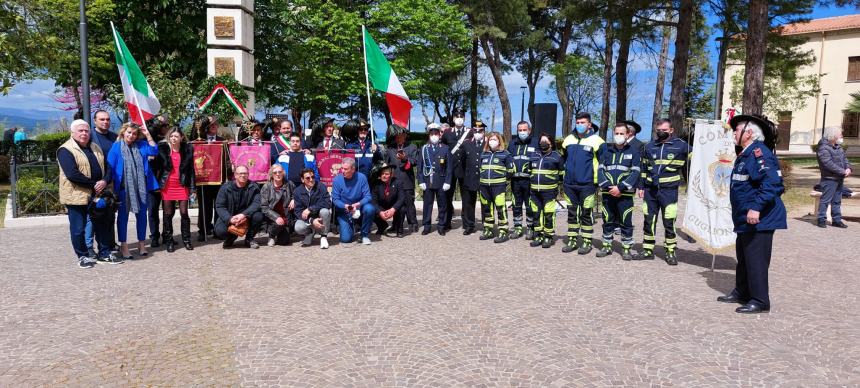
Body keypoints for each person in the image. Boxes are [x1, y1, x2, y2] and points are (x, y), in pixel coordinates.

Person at [718, 115, 787, 314]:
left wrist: (756, 207)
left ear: (748, 133)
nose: (733, 133)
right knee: (744, 257)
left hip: (760, 218)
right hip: (745, 219)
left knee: (756, 260)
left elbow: (772, 184)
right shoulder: (746, 154)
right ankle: (742, 292)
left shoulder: (759, 153)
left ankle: (760, 300)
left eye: (736, 130)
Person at [58, 119, 121, 268]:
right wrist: (94, 184)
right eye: (80, 130)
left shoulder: (95, 147)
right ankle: (83, 256)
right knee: (78, 229)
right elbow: (72, 174)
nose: (84, 133)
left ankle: (104, 254)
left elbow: (108, 167)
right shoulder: (65, 150)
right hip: (76, 195)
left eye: (86, 130)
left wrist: (105, 181)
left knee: (102, 225)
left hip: (98, 194)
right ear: (72, 132)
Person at [638, 118, 690, 265]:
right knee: (649, 220)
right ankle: (648, 250)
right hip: (650, 191)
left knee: (669, 221)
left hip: (669, 191)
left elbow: (698, 158)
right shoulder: (649, 146)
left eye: (664, 130)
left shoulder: (681, 146)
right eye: (658, 130)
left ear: (671, 130)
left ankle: (671, 251)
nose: (661, 133)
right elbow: (644, 168)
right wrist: (641, 187)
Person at [107, 122, 159, 259]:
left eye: (134, 133)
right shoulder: (116, 147)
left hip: (141, 188)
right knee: (123, 218)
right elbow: (110, 167)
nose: (131, 135)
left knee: (142, 216)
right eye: (129, 132)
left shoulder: (141, 145)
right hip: (123, 189)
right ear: (123, 132)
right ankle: (124, 245)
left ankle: (141, 244)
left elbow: (154, 150)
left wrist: (148, 135)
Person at [560, 112, 605, 254]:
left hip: (588, 184)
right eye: (578, 122)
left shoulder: (598, 141)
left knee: (586, 213)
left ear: (589, 124)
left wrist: (600, 182)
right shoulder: (568, 140)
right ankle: (572, 240)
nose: (579, 125)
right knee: (572, 213)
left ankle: (587, 241)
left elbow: (604, 163)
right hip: (569, 184)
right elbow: (563, 160)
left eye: (583, 122)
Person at [596, 121, 641, 260]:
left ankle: (626, 248)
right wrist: (609, 187)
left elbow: (635, 172)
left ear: (628, 135)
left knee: (626, 222)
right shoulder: (606, 151)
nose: (619, 136)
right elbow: (600, 170)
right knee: (607, 220)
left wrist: (620, 188)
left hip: (625, 194)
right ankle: (606, 246)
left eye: (622, 133)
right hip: (608, 193)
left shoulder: (634, 152)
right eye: (616, 133)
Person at [156, 127, 195, 252]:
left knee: (184, 213)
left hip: (182, 185)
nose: (173, 138)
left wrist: (193, 188)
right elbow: (158, 169)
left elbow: (191, 171)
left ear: (181, 138)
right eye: (172, 136)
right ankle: (169, 241)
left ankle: (187, 240)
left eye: (176, 136)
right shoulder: (163, 149)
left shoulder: (187, 150)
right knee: (168, 213)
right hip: (167, 186)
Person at [87, 110, 118, 256]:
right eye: (102, 119)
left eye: (107, 119)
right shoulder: (89, 136)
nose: (105, 122)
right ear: (95, 121)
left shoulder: (114, 137)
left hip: (110, 181)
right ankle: (89, 246)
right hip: (94, 182)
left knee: (110, 215)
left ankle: (109, 244)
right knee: (93, 216)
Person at [214, 164, 264, 249]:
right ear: (235, 175)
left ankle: (249, 239)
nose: (243, 175)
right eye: (240, 173)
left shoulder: (254, 186)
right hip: (231, 216)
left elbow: (257, 203)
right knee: (220, 231)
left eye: (245, 173)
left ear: (248, 174)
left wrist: (243, 215)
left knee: (259, 216)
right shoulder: (225, 188)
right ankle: (231, 237)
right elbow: (220, 206)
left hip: (247, 216)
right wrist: (230, 219)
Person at [529, 134, 564, 248]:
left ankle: (548, 236)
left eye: (546, 140)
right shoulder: (534, 155)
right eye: (541, 140)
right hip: (534, 191)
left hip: (549, 191)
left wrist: (555, 185)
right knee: (536, 213)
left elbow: (561, 174)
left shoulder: (557, 157)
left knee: (549, 214)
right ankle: (538, 234)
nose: (543, 142)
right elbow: (530, 170)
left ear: (551, 143)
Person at [478, 131, 514, 243]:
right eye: (490, 139)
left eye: (495, 139)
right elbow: (480, 169)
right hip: (484, 186)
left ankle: (503, 230)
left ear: (499, 141)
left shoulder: (505, 154)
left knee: (500, 208)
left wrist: (502, 180)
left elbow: (511, 170)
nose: (492, 141)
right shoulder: (484, 154)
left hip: (498, 186)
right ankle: (488, 229)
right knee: (487, 208)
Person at [417, 124, 453, 235]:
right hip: (428, 182)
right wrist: (421, 181)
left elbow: (449, 168)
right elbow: (420, 166)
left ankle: (441, 225)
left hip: (441, 182)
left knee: (442, 205)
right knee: (427, 205)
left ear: (439, 135)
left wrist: (447, 181)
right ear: (429, 135)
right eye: (432, 134)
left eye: (436, 134)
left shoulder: (445, 149)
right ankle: (427, 226)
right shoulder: (424, 149)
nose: (434, 136)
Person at [441, 109, 472, 231]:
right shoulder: (447, 132)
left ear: (464, 118)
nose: (459, 118)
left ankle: (467, 224)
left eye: (461, 116)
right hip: (450, 170)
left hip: (465, 170)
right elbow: (442, 148)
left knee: (467, 198)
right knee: (447, 197)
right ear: (453, 119)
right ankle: (447, 222)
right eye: (457, 116)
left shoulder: (470, 132)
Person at [331, 158, 376, 245]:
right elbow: (335, 199)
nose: (343, 171)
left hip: (359, 207)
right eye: (342, 168)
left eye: (346, 169)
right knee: (345, 239)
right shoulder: (337, 180)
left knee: (370, 208)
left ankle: (364, 235)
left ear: (353, 169)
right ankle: (352, 226)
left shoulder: (362, 177)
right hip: (344, 210)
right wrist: (345, 206)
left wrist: (358, 204)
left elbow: (367, 196)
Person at [195, 116, 226, 241]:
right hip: (204, 178)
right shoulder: (199, 140)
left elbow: (226, 160)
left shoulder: (222, 141)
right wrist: (204, 120)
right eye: (211, 125)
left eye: (216, 124)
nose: (214, 126)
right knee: (204, 206)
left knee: (218, 206)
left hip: (219, 178)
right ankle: (203, 230)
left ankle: (218, 230)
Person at [384, 124, 420, 233]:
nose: (399, 138)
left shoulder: (412, 147)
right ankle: (396, 225)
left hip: (407, 180)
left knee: (409, 203)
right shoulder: (390, 149)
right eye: (397, 136)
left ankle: (413, 223)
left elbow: (415, 161)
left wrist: (405, 158)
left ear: (405, 136)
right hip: (394, 181)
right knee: (395, 204)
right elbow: (386, 164)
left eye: (401, 136)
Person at [508, 120, 540, 240]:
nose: (522, 132)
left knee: (530, 206)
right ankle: (517, 227)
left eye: (524, 130)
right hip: (515, 180)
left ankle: (531, 228)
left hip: (530, 180)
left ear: (529, 130)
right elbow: (508, 159)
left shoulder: (536, 142)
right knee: (516, 205)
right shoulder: (512, 143)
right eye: (520, 130)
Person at [815, 126, 851, 228]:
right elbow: (828, 164)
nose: (841, 136)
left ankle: (836, 220)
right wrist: (843, 171)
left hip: (839, 178)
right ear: (833, 135)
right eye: (840, 135)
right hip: (829, 179)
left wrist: (848, 168)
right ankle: (821, 219)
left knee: (836, 201)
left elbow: (845, 160)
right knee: (825, 200)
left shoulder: (838, 147)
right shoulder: (823, 148)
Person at [292, 168, 332, 248]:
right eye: (308, 178)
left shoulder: (321, 186)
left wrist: (310, 209)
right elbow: (298, 211)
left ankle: (323, 236)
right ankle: (310, 232)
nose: (311, 180)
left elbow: (327, 202)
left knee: (325, 211)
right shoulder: (297, 191)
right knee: (298, 227)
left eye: (313, 177)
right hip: (307, 218)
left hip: (319, 215)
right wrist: (312, 220)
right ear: (302, 180)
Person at [146, 116, 170, 248]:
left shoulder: (170, 141)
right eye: (164, 125)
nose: (167, 127)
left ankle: (167, 235)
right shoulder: (150, 142)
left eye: (167, 125)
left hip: (167, 181)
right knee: (153, 210)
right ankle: (154, 236)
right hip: (153, 181)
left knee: (168, 210)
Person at [459, 121, 486, 235]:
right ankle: (470, 225)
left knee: (486, 203)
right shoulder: (466, 144)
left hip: (484, 178)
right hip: (470, 178)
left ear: (484, 131)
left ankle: (487, 225)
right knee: (469, 203)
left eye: (480, 131)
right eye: (475, 131)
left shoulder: (488, 143)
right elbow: (463, 162)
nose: (477, 133)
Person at [260, 164, 295, 246]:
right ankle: (271, 236)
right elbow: (264, 207)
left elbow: (296, 194)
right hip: (272, 218)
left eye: (280, 172)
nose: (278, 174)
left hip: (286, 216)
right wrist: (276, 217)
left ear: (283, 173)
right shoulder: (266, 187)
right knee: (278, 224)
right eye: (275, 172)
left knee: (284, 241)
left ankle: (281, 232)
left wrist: (294, 200)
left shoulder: (289, 184)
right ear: (272, 174)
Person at [372, 164, 406, 237]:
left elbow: (402, 198)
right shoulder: (376, 184)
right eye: (382, 174)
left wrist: (393, 209)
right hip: (382, 207)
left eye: (386, 174)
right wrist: (380, 212)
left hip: (393, 206)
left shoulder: (398, 182)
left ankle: (399, 229)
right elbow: (373, 201)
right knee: (371, 209)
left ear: (391, 175)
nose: (384, 176)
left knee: (402, 209)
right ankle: (382, 226)